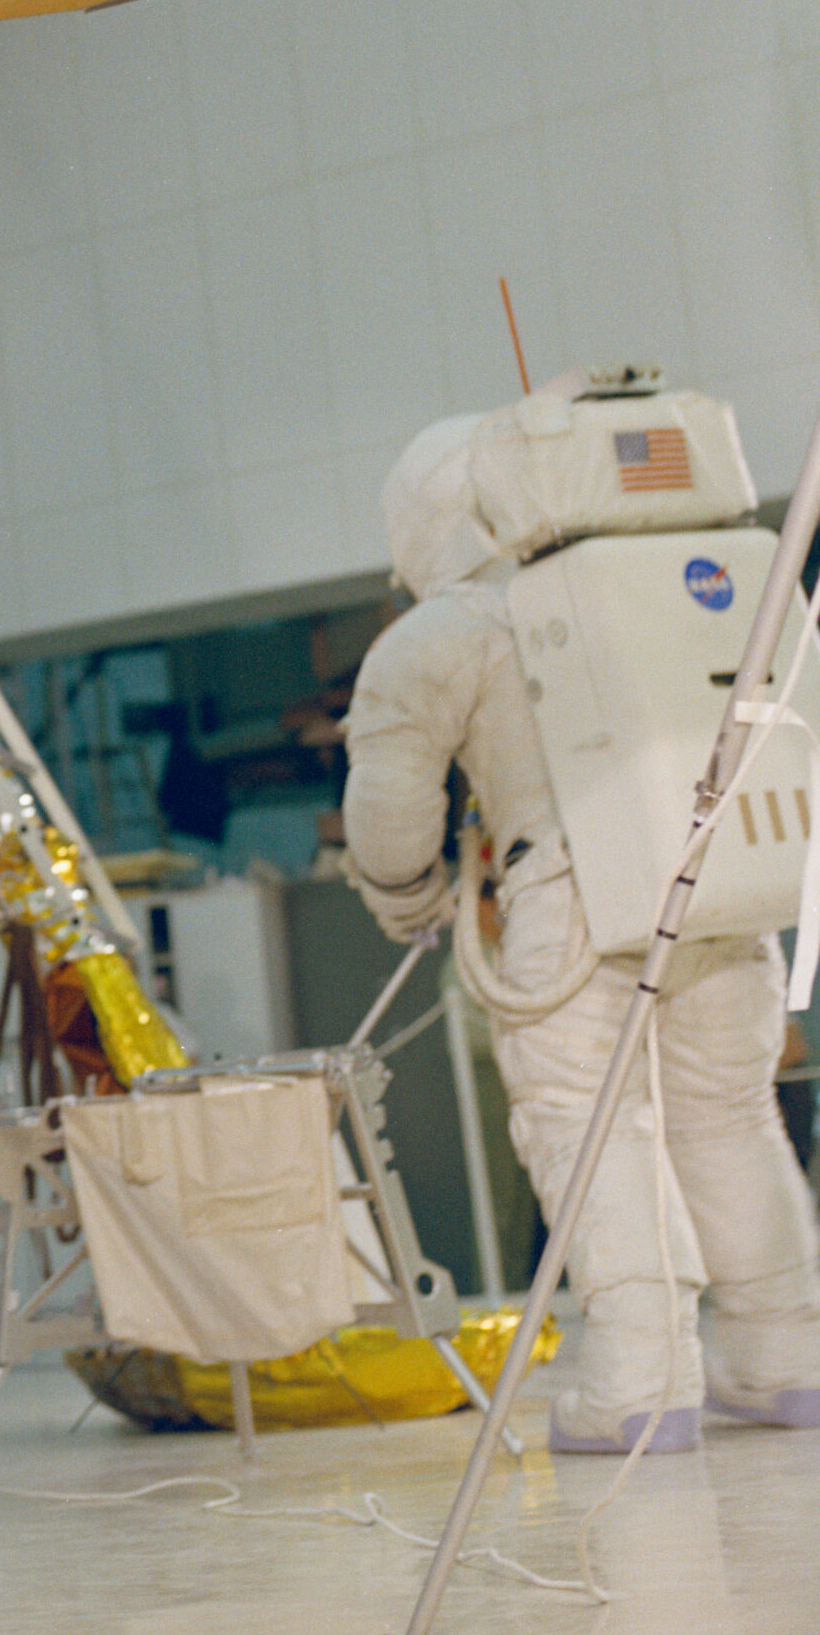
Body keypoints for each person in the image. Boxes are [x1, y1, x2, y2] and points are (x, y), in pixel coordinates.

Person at [341, 412, 820, 1453]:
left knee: (589, 1128)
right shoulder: (667, 585)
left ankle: (642, 1385)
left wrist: (410, 897)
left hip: (570, 905)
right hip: (719, 894)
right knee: (729, 1119)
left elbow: (387, 827)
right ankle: (785, 1360)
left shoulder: (443, 633)